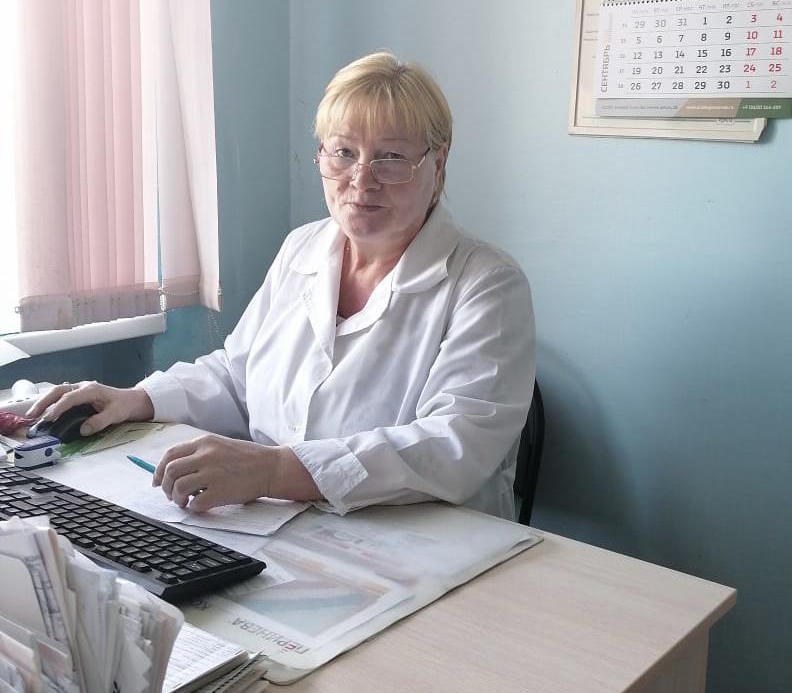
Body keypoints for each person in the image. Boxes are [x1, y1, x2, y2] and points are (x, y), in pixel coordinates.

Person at [27, 51, 535, 520]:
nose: (362, 179)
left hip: (424, 544)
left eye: (391, 158)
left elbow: (453, 446)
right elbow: (238, 375)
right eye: (344, 152)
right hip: (284, 528)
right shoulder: (302, 249)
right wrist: (136, 398)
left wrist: (274, 471)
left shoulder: (487, 285)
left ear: (437, 163)